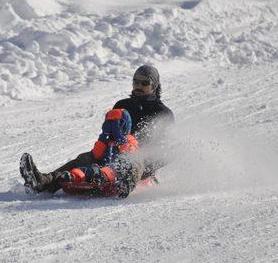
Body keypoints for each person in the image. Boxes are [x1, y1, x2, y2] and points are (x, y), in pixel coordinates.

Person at [20, 64, 174, 197]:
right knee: (84, 159)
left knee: (134, 162)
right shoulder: (123, 105)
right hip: (114, 153)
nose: (138, 86)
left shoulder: (162, 114)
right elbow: (110, 133)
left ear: (154, 86)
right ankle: (43, 182)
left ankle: (123, 182)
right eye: (135, 81)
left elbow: (165, 151)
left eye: (144, 83)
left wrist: (147, 166)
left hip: (140, 164)